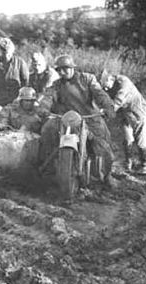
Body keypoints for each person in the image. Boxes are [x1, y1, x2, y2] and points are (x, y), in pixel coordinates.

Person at [38, 55, 116, 186]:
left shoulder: (87, 79)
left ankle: (107, 175)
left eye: (65, 69)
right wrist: (43, 108)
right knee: (47, 130)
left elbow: (100, 94)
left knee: (103, 143)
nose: (62, 72)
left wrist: (107, 107)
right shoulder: (57, 85)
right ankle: (49, 168)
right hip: (66, 119)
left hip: (88, 118)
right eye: (59, 70)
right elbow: (48, 96)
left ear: (72, 68)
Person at [100, 70, 146, 175]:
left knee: (140, 139)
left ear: (110, 78)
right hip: (124, 113)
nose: (105, 89)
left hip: (137, 111)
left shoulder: (124, 83)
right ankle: (128, 163)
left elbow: (118, 100)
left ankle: (145, 165)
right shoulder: (110, 85)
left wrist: (108, 111)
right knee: (127, 139)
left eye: (106, 86)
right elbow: (105, 98)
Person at [0, 37, 29, 106]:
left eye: (7, 50)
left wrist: (21, 97)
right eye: (3, 50)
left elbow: (25, 81)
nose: (5, 52)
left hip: (15, 98)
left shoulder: (20, 62)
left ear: (12, 50)